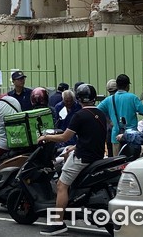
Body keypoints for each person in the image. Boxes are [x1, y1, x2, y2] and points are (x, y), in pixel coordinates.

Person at [37, 83, 107, 235]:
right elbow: (92, 136)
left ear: (79, 99)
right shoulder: (101, 114)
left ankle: (58, 223)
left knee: (61, 185)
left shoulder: (79, 115)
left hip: (82, 158)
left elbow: (64, 136)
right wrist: (74, 147)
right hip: (97, 155)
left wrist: (46, 137)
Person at [97, 74, 143, 156]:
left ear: (117, 85)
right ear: (128, 86)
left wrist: (109, 121)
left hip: (115, 136)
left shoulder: (109, 99)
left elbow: (97, 111)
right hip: (131, 137)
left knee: (117, 163)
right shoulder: (132, 97)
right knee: (132, 162)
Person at [104, 79, 118, 157]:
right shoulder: (108, 100)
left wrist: (109, 122)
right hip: (113, 131)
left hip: (110, 130)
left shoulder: (107, 100)